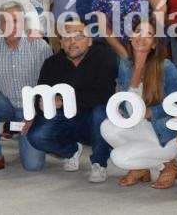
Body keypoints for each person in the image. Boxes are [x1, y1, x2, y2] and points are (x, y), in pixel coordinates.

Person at [26, 16, 117, 183]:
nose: (72, 42)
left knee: (101, 111)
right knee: (36, 136)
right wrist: (42, 104)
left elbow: (104, 95)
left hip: (93, 120)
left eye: (78, 36)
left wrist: (65, 101)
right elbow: (39, 94)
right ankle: (71, 150)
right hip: (65, 119)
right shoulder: (51, 63)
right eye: (67, 37)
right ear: (60, 42)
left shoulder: (105, 57)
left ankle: (99, 162)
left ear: (89, 41)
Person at [100, 17, 177, 189]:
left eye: (149, 34)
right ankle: (160, 165)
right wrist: (120, 110)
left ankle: (164, 163)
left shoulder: (166, 66)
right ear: (130, 37)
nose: (141, 37)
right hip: (138, 129)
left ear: (154, 44)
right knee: (107, 127)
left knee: (118, 158)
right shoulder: (125, 64)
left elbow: (176, 105)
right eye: (138, 32)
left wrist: (151, 112)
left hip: (161, 132)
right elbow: (124, 96)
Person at [0, 1, 53, 174]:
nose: (12, 26)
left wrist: (35, 112)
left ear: (24, 22)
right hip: (6, 103)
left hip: (32, 108)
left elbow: (49, 86)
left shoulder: (40, 47)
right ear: (0, 25)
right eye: (6, 21)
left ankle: (41, 138)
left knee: (33, 166)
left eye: (16, 20)